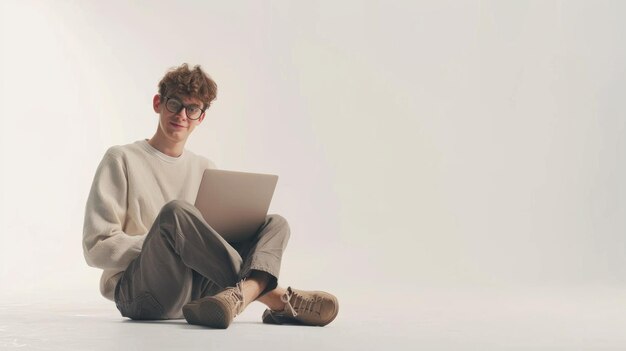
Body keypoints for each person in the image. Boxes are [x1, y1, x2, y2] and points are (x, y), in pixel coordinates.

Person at [82, 63, 339, 329]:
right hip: (141, 295)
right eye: (174, 104)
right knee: (175, 213)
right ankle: (274, 297)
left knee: (275, 223)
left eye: (192, 109)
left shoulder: (204, 168)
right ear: (158, 103)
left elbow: (210, 244)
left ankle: (240, 295)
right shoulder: (121, 159)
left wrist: (190, 247)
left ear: (200, 117)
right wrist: (166, 244)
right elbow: (96, 247)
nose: (182, 114)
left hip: (198, 294)